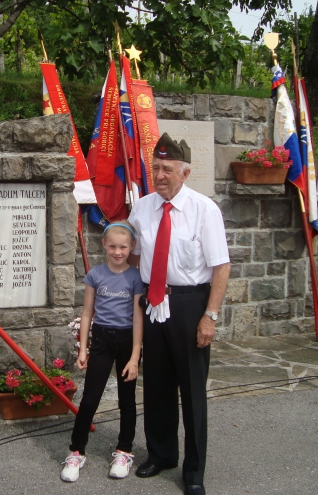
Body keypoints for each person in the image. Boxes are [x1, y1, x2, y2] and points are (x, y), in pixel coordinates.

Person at [128, 133, 230, 495]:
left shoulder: (204, 210)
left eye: (167, 169)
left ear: (185, 172)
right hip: (153, 303)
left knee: (192, 391)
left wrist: (210, 316)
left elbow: (221, 267)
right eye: (155, 167)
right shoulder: (141, 208)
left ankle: (194, 471)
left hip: (190, 307)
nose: (160, 175)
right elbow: (136, 255)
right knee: (156, 386)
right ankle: (161, 455)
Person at [60, 221, 144, 482]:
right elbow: (87, 313)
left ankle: (124, 450)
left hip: (127, 340)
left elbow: (139, 318)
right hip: (102, 341)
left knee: (126, 400)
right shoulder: (95, 275)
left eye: (123, 247)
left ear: (132, 247)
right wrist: (83, 348)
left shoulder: (136, 277)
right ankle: (76, 451)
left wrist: (134, 357)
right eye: (112, 246)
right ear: (103, 246)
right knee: (89, 398)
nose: (117, 252)